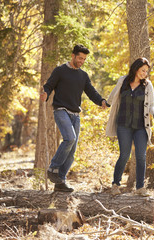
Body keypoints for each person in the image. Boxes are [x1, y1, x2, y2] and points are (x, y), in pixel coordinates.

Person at [40, 44, 107, 192]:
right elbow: (49, 85)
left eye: (84, 59)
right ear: (73, 55)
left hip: (76, 115)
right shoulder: (60, 71)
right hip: (61, 110)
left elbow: (91, 91)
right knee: (69, 138)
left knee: (72, 151)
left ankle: (60, 182)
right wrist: (45, 92)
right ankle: (53, 169)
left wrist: (101, 101)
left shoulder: (83, 75)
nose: (81, 61)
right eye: (79, 58)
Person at [106, 57, 154, 197]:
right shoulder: (123, 81)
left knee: (141, 156)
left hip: (140, 126)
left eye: (146, 71)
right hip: (123, 124)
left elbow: (151, 105)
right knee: (124, 155)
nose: (144, 74)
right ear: (136, 69)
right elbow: (113, 96)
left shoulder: (147, 86)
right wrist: (104, 102)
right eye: (142, 70)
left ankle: (140, 188)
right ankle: (115, 185)